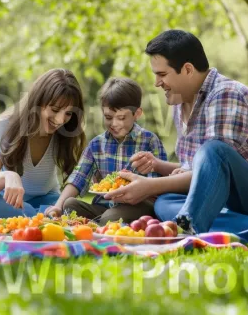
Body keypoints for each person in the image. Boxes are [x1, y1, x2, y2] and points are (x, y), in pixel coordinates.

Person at [105, 30, 248, 250]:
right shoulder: (181, 103)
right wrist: (158, 167)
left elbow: (213, 165)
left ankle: (191, 228)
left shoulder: (226, 94)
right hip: (233, 204)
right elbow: (201, 172)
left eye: (162, 74)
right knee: (164, 203)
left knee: (214, 150)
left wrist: (149, 186)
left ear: (187, 69)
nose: (157, 83)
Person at [0, 69, 86, 224]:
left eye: (68, 113)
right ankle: (41, 220)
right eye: (55, 110)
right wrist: (8, 176)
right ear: (38, 101)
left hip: (48, 203)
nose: (60, 120)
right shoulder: (4, 126)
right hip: (9, 203)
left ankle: (34, 219)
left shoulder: (64, 134)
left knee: (73, 207)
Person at [44, 77, 168, 224]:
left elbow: (158, 187)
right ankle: (98, 223)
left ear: (137, 114)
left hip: (138, 206)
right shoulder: (97, 144)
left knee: (111, 217)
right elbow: (78, 178)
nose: (114, 124)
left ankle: (100, 223)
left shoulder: (149, 141)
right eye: (108, 117)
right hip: (103, 207)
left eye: (121, 117)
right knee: (69, 205)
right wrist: (58, 206)